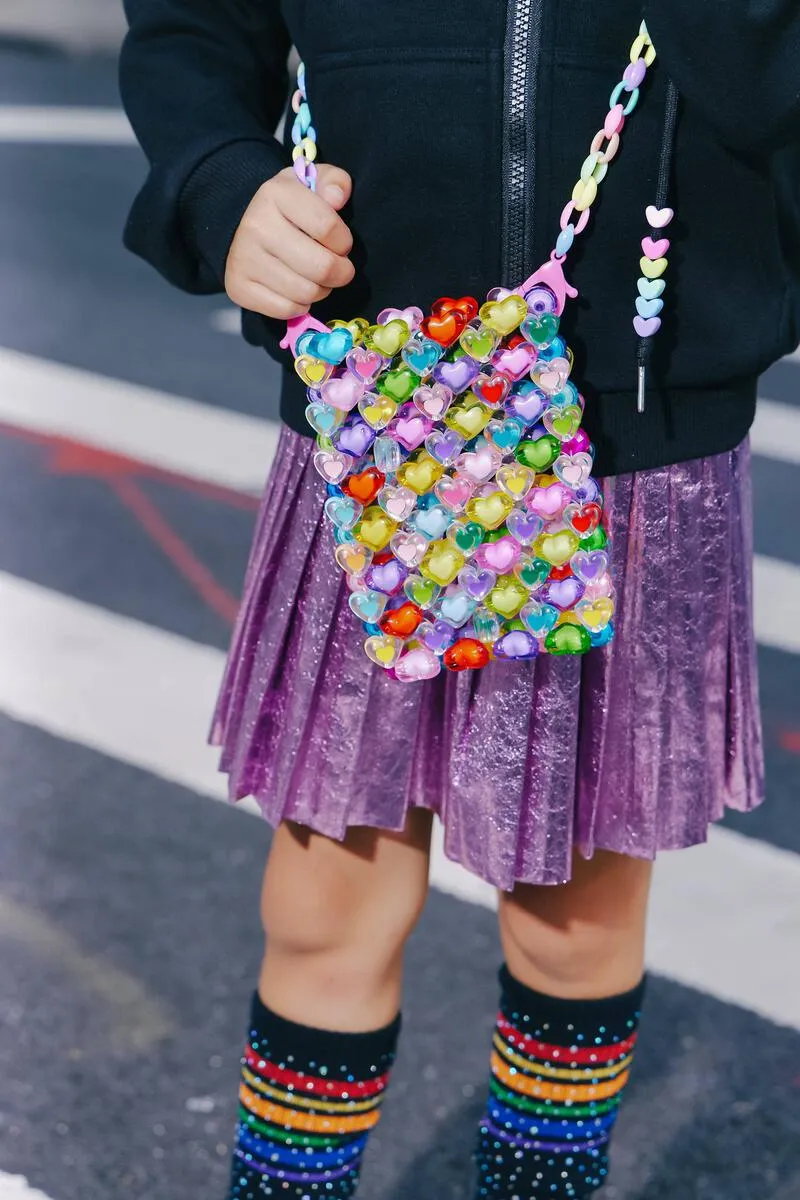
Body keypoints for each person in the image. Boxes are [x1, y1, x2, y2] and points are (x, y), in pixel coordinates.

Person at [119, 1, 800, 1196]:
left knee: (574, 924)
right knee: (327, 901)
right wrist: (221, 187)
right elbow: (188, 26)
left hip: (639, 433)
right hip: (379, 416)